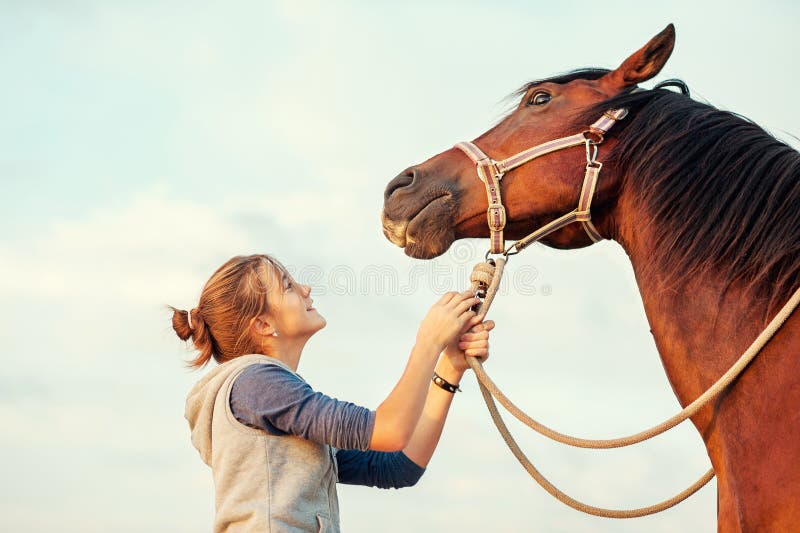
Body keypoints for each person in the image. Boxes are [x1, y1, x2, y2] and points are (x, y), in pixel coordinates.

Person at [169, 253, 495, 532]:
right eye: (288, 286)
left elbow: (398, 466)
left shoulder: (266, 397)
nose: (305, 289)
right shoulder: (256, 384)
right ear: (263, 325)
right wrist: (429, 341)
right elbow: (389, 430)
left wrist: (449, 366)